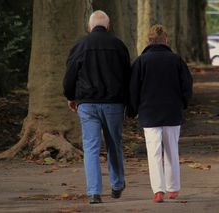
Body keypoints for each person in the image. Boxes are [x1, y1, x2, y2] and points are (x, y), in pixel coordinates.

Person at [63, 10, 130, 204]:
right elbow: (128, 76)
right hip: (114, 104)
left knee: (91, 148)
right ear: (108, 26)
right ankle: (117, 184)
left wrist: (71, 96)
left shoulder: (80, 45)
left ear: (89, 26)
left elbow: (70, 75)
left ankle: (94, 192)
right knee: (114, 145)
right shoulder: (119, 46)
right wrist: (128, 101)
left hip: (88, 104)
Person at [129, 24, 193, 203]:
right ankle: (173, 188)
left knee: (154, 152)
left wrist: (133, 110)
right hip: (172, 112)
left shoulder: (141, 62)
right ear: (166, 40)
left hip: (149, 113)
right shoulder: (176, 60)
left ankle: (158, 190)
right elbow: (186, 86)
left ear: (149, 41)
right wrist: (183, 104)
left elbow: (134, 89)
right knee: (172, 150)